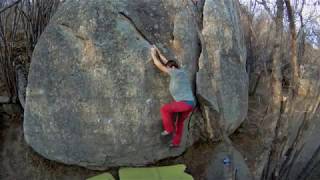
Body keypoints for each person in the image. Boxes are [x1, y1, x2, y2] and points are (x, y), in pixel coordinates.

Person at [150, 46, 196, 148]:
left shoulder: (175, 72)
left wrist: (153, 54)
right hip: (190, 104)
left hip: (185, 103)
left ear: (172, 68)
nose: (168, 70)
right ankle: (176, 143)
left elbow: (160, 65)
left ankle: (169, 129)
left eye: (169, 68)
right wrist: (158, 51)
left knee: (165, 109)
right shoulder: (180, 72)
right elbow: (167, 62)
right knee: (179, 123)